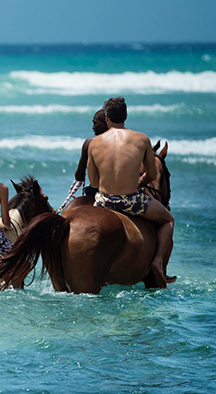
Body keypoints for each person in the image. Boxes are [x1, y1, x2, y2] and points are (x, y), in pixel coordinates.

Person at [87, 97, 174, 288]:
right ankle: (158, 261)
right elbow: (151, 174)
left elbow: (93, 181)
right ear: (125, 116)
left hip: (103, 201)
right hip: (131, 201)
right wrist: (138, 182)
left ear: (107, 117)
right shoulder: (142, 139)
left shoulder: (94, 143)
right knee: (168, 220)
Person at [57, 109, 109, 213]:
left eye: (95, 123)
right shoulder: (121, 141)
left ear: (104, 124)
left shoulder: (89, 142)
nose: (93, 127)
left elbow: (79, 176)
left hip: (95, 192)